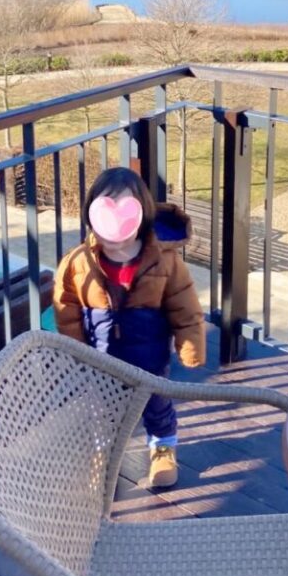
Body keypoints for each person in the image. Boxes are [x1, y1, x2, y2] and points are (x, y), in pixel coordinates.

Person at [53, 166, 205, 488]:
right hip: (102, 357)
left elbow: (184, 303)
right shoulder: (79, 261)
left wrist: (190, 344)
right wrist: (75, 347)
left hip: (149, 354)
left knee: (157, 404)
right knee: (102, 409)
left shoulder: (163, 260)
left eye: (125, 210)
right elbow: (65, 306)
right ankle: (103, 452)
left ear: (142, 215)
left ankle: (162, 448)